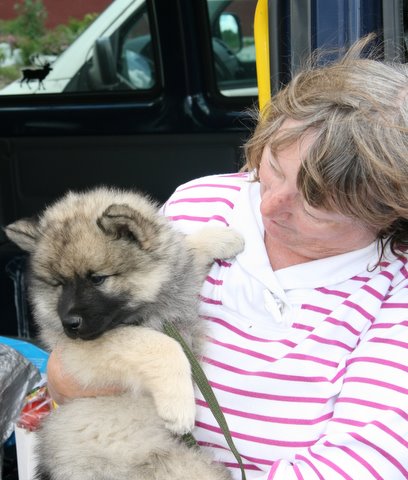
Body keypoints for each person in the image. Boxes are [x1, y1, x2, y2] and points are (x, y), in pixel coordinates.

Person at [47, 35, 408, 479]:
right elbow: (68, 376)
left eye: (314, 205)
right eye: (272, 167)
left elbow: (361, 466)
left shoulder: (395, 293)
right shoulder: (204, 202)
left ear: (386, 212)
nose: (268, 205)